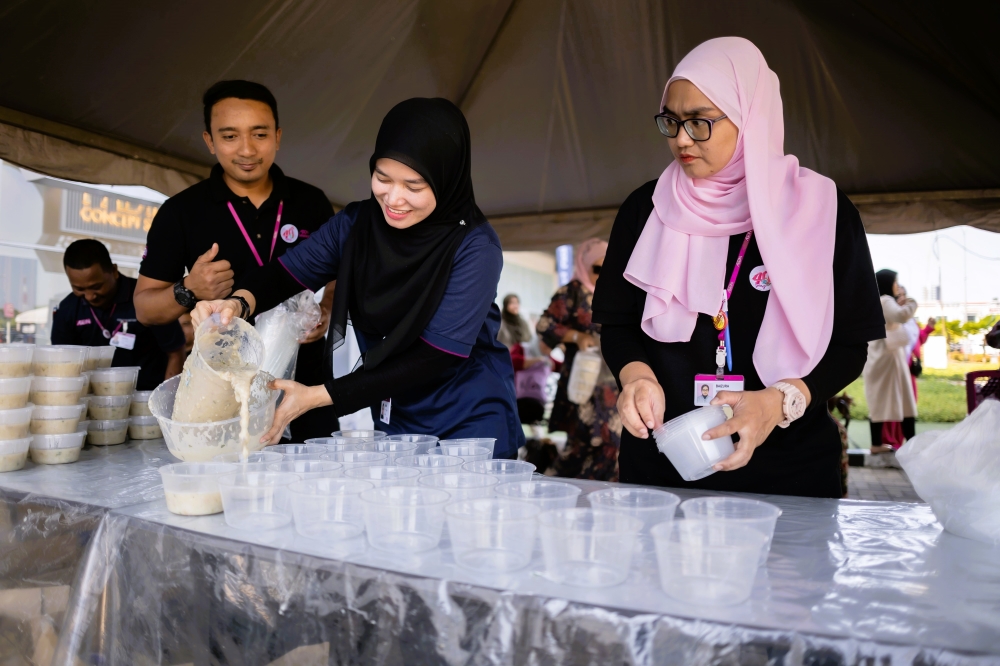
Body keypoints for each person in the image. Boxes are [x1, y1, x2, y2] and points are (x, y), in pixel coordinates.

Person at [593, 37, 884, 499]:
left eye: (700, 122)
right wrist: (637, 377)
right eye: (671, 121)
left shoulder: (821, 211)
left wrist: (778, 402)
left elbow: (850, 344)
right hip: (665, 464)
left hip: (787, 469)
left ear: (751, 116)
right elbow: (619, 324)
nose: (682, 139)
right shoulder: (645, 210)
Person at [191, 98, 524, 458]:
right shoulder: (355, 225)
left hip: (469, 419)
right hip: (397, 413)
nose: (394, 198)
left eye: (414, 186)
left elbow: (435, 355)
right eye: (382, 178)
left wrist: (319, 395)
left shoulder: (474, 246)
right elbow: (284, 274)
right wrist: (237, 303)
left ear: (447, 181)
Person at [133, 80, 337, 440]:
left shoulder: (311, 202)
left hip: (304, 387)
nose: (246, 149)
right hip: (219, 392)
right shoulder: (181, 212)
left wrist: (328, 307)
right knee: (227, 488)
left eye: (259, 134)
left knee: (312, 485)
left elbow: (339, 271)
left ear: (277, 135)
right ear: (209, 141)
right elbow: (145, 308)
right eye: (229, 136)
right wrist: (188, 289)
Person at [536, 238, 622, 481]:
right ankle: (556, 488)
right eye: (598, 269)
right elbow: (545, 325)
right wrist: (576, 335)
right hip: (583, 380)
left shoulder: (616, 292)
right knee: (583, 443)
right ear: (585, 266)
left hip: (612, 381)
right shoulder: (571, 292)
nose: (604, 275)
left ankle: (600, 497)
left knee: (612, 443)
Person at [51, 239, 186, 390]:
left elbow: (175, 352)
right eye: (79, 289)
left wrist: (168, 397)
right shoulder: (67, 310)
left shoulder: (147, 300)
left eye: (96, 287)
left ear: (114, 271)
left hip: (144, 396)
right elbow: (62, 361)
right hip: (91, 398)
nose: (90, 296)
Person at [864, 269, 918, 452]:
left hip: (884, 359)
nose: (897, 286)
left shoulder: (874, 301)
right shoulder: (885, 300)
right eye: (896, 282)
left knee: (881, 401)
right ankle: (910, 442)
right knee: (903, 401)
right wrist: (911, 301)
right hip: (888, 361)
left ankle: (877, 443)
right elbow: (901, 316)